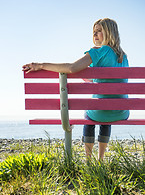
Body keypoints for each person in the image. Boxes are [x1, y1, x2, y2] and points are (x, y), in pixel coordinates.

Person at [22, 18, 129, 161]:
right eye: (94, 32)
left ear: (109, 33)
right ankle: (101, 159)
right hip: (121, 112)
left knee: (89, 117)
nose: (95, 34)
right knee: (105, 111)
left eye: (99, 31)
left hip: (100, 112)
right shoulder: (123, 56)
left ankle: (89, 161)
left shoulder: (99, 51)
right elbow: (111, 81)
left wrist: (41, 65)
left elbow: (72, 68)